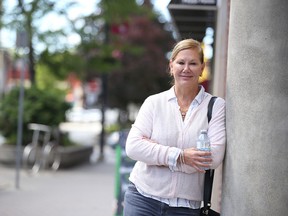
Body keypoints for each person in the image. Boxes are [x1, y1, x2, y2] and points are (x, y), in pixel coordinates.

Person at [123, 38, 226, 216]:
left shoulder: (215, 106)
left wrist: (156, 155)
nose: (186, 69)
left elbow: (214, 157)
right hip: (142, 199)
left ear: (202, 68)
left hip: (186, 208)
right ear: (171, 66)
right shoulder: (154, 103)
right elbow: (133, 147)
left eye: (193, 63)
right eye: (181, 62)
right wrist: (181, 156)